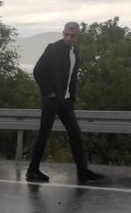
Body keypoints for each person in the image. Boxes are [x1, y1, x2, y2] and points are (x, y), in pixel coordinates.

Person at [26, 22, 105, 183]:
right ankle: (32, 170)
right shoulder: (53, 49)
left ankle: (82, 172)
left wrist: (72, 98)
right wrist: (49, 93)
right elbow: (37, 71)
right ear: (63, 33)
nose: (69, 38)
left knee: (75, 134)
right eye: (66, 34)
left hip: (66, 101)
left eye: (72, 35)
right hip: (51, 100)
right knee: (44, 135)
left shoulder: (76, 50)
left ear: (77, 36)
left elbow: (73, 76)